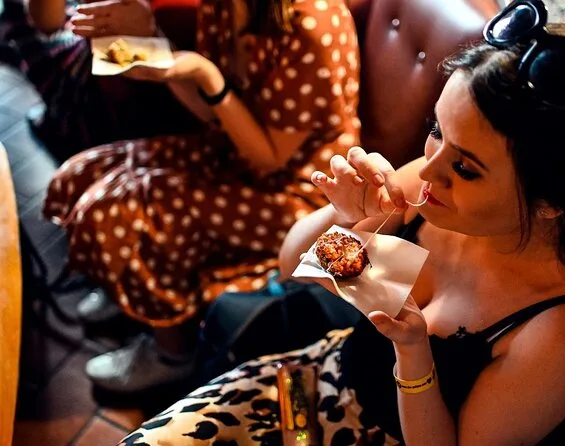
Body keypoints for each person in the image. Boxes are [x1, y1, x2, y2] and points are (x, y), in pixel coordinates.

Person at [116, 1, 565, 444]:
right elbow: (293, 266)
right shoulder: (434, 187)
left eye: (466, 168)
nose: (430, 169)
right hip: (320, 377)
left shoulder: (561, 330)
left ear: (551, 202)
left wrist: (414, 351)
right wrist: (350, 220)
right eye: (436, 130)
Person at [42, 0, 360, 392]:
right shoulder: (224, 5)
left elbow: (269, 159)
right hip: (232, 151)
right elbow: (211, 112)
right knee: (81, 174)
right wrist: (154, 44)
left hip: (298, 192)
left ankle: (172, 353)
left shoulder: (312, 25)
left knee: (118, 214)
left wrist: (206, 75)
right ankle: (126, 285)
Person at [0, 0, 202, 155]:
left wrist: (150, 38)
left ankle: (65, 121)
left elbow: (206, 102)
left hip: (147, 107)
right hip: (129, 70)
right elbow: (48, 23)